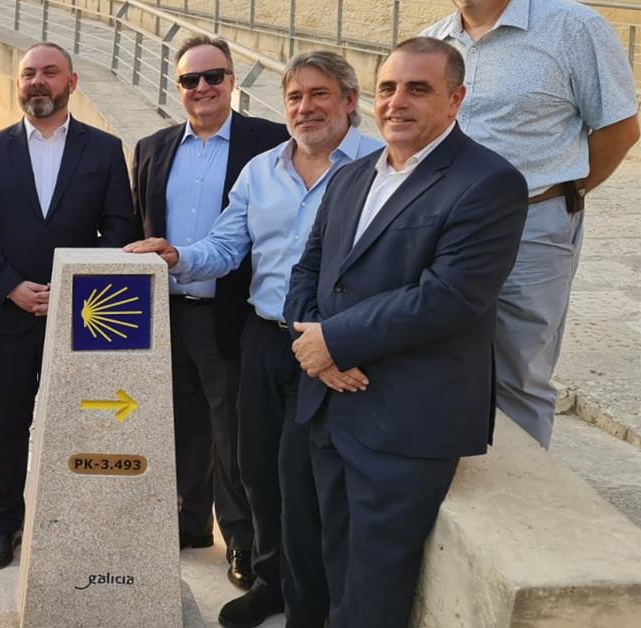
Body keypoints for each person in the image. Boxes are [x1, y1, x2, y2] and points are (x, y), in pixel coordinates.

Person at [128, 50, 379, 628]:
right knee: (257, 468)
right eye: (295, 97)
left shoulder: (377, 166)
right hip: (265, 337)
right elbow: (225, 246)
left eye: (319, 94)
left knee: (308, 476)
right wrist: (177, 255)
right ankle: (272, 583)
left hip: (335, 344)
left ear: (349, 100)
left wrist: (349, 340)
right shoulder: (262, 170)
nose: (306, 107)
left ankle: (312, 602)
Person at [284, 37, 527, 628]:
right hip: (330, 405)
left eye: (418, 89)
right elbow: (309, 269)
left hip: (405, 420)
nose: (397, 102)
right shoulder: (351, 176)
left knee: (374, 588)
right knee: (337, 566)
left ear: (455, 100)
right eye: (389, 88)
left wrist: (333, 342)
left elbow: (449, 296)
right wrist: (318, 350)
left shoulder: (488, 182)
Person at [421, 0, 640, 447]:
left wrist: (564, 193)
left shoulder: (573, 27)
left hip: (531, 225)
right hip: (442, 228)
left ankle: (522, 488)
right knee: (437, 356)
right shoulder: (433, 41)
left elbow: (620, 128)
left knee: (519, 373)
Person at [0, 42, 139, 568]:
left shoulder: (104, 149)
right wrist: (12, 285)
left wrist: (71, 285)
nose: (38, 81)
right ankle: (4, 523)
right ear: (19, 84)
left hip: (80, 316)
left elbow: (120, 227)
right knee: (8, 425)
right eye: (29, 73)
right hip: (6, 311)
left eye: (50, 72)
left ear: (71, 83)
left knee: (80, 421)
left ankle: (73, 521)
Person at [130, 34, 287, 588]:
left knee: (233, 432)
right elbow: (138, 226)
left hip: (229, 313)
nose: (202, 87)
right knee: (180, 423)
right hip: (165, 311)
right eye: (190, 79)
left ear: (232, 81)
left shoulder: (270, 141)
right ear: (177, 88)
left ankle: (241, 540)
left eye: (213, 76)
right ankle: (189, 521)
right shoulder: (152, 147)